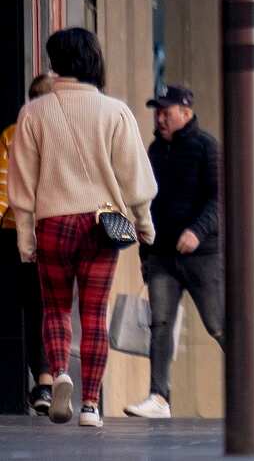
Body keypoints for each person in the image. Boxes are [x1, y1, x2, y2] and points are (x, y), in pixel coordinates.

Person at [8, 28, 157, 428]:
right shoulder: (115, 112)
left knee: (54, 308)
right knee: (94, 314)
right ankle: (91, 404)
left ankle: (58, 374)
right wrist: (144, 224)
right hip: (101, 224)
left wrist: (25, 237)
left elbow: (21, 184)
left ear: (54, 63)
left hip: (53, 222)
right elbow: (136, 178)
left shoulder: (32, 113)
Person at [125, 85, 225, 419]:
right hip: (162, 256)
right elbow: (147, 204)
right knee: (161, 324)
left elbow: (220, 199)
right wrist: (144, 256)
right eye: (157, 111)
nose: (160, 117)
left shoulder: (206, 147)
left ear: (186, 111)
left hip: (203, 256)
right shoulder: (154, 150)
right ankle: (159, 397)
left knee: (217, 323)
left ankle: (252, 388)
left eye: (166, 111)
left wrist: (197, 231)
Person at [0, 74, 56, 414]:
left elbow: (2, 184)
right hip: (50, 229)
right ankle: (47, 380)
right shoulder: (59, 135)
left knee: (32, 307)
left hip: (19, 229)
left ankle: (45, 380)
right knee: (44, 307)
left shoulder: (13, 133)